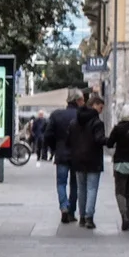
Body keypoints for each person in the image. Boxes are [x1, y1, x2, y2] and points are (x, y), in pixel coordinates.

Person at [43, 89, 86, 223]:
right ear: (78, 101)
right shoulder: (82, 115)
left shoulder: (57, 115)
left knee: (61, 183)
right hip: (77, 154)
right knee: (75, 184)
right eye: (82, 100)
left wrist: (54, 148)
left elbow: (48, 135)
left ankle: (64, 207)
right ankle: (72, 212)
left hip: (61, 153)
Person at [67, 94, 107, 230]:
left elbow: (69, 140)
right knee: (91, 188)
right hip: (93, 159)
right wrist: (110, 140)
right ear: (94, 105)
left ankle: (82, 217)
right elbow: (99, 140)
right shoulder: (97, 123)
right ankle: (89, 217)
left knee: (81, 189)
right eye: (101, 107)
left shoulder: (74, 122)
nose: (101, 111)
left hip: (78, 159)